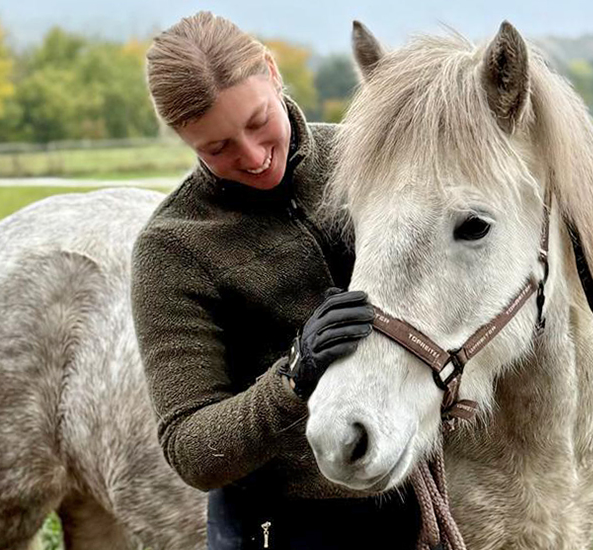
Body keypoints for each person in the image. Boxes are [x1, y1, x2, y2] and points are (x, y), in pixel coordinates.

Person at [130, 11, 420, 550]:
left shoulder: (372, 163)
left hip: (416, 499)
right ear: (181, 138)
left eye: (258, 120)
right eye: (216, 149)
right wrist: (293, 375)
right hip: (275, 525)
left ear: (271, 71)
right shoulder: (172, 247)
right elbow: (190, 449)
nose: (253, 156)